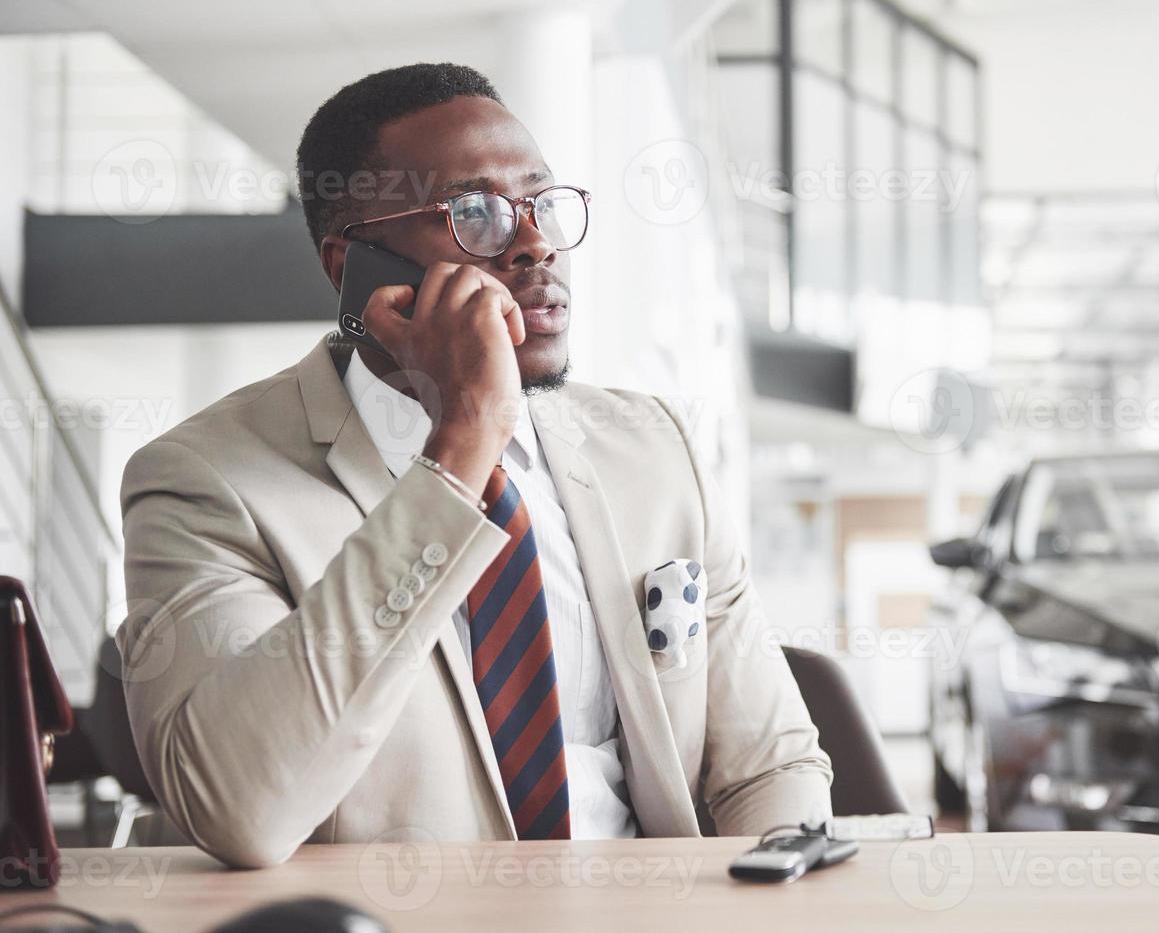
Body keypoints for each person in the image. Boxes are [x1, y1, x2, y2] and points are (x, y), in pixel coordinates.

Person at [117, 63, 832, 867]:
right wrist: (462, 445)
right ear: (350, 269)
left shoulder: (649, 447)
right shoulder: (206, 482)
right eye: (473, 214)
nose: (533, 245)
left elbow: (767, 768)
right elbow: (241, 808)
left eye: (541, 203)